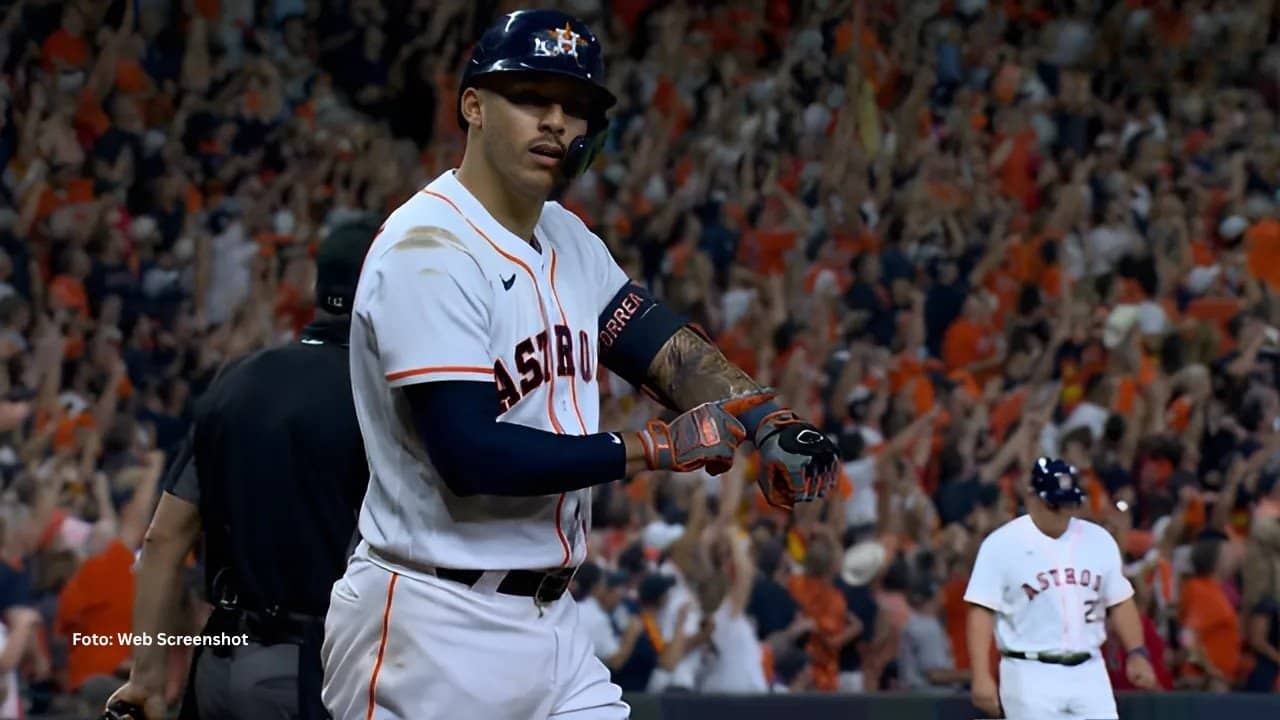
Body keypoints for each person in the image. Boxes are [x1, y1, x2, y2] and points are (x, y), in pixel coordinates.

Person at [318, 9, 838, 720]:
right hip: (433, 622)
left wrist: (768, 418)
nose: (555, 122)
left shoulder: (566, 236)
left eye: (574, 106)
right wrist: (651, 448)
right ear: (472, 106)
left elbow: (658, 345)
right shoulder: (428, 249)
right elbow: (469, 455)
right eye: (530, 97)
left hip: (553, 624)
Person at [104, 218, 379, 720]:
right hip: (318, 670)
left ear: (317, 289)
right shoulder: (380, 397)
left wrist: (145, 679)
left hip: (220, 659)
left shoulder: (236, 379)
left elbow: (163, 539)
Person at [964, 458, 1157, 719]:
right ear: (1032, 498)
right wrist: (980, 674)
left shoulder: (1099, 540)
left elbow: (1120, 601)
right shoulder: (1001, 544)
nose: (1064, 512)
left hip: (1089, 669)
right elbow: (981, 609)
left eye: (1069, 503)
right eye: (1055, 504)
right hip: (1029, 671)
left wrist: (1136, 652)